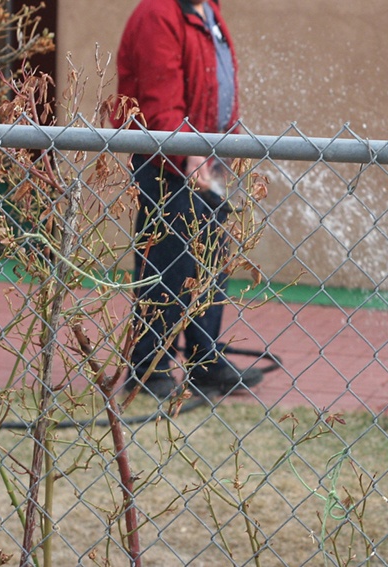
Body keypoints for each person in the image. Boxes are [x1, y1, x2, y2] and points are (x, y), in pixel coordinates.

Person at [112, 0, 262, 399]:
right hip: (167, 161)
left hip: (205, 157)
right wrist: (185, 153)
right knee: (168, 265)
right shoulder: (159, 13)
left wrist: (226, 145)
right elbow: (160, 95)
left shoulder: (205, 10)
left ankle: (204, 362)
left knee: (212, 262)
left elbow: (219, 81)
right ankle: (150, 368)